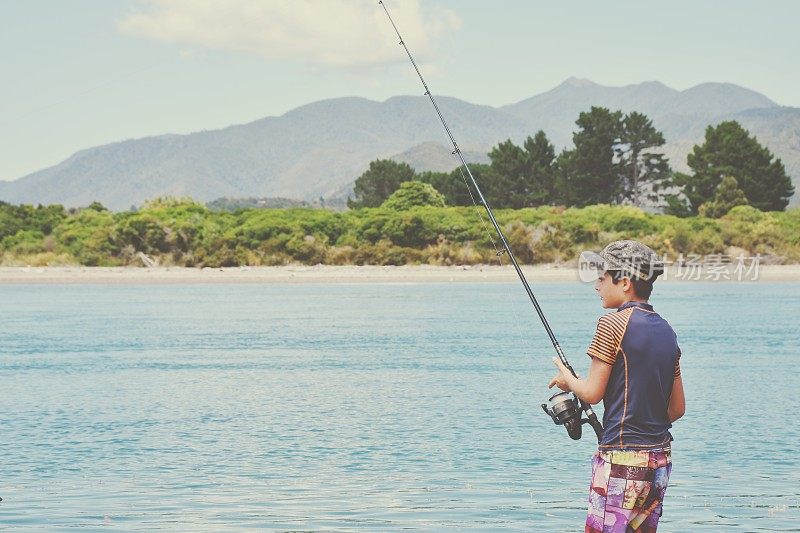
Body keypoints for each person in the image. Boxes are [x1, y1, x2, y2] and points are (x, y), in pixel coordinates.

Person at [548, 240, 685, 533]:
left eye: (602, 277)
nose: (597, 285)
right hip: (659, 461)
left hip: (621, 460)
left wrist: (567, 379)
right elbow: (676, 409)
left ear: (624, 282)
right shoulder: (668, 331)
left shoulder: (611, 324)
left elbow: (592, 394)